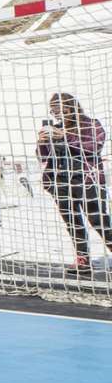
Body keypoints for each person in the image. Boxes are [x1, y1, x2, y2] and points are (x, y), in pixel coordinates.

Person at [37, 92, 112, 277]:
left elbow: (93, 146)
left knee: (99, 221)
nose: (56, 114)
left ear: (71, 107)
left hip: (87, 181)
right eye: (53, 111)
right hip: (60, 181)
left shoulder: (91, 124)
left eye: (59, 109)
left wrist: (63, 136)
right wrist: (42, 142)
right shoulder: (55, 128)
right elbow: (43, 157)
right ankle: (83, 259)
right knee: (72, 222)